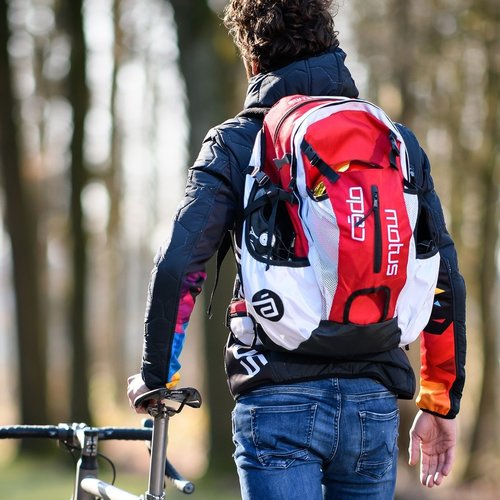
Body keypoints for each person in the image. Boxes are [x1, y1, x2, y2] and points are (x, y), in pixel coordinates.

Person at [127, 1, 466, 498]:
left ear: (253, 59)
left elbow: (180, 262)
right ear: (330, 41)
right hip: (373, 400)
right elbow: (444, 277)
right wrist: (438, 400)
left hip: (275, 395)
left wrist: (156, 374)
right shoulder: (396, 144)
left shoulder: (238, 142)